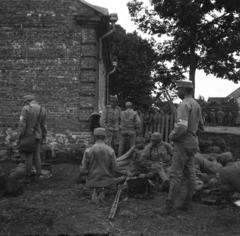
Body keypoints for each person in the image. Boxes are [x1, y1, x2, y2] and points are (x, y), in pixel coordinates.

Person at [154, 80, 204, 215]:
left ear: (183, 90)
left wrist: (172, 136)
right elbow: (201, 127)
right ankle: (188, 203)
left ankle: (169, 206)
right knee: (191, 174)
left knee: (175, 174)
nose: (177, 92)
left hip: (182, 144)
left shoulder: (184, 105)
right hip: (193, 143)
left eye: (178, 89)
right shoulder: (196, 105)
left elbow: (181, 126)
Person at [79, 128, 123, 202]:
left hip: (92, 181)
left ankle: (94, 191)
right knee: (113, 189)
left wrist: (85, 172)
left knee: (85, 189)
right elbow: (115, 168)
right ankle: (104, 191)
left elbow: (83, 170)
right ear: (105, 137)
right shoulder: (110, 150)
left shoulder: (88, 150)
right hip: (107, 182)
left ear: (95, 137)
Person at [17, 95, 47, 183]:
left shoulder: (25, 108)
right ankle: (38, 177)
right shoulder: (43, 109)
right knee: (37, 156)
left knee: (28, 157)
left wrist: (19, 136)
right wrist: (43, 136)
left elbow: (22, 124)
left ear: (26, 101)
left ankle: (27, 178)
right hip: (38, 136)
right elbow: (44, 126)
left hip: (28, 136)